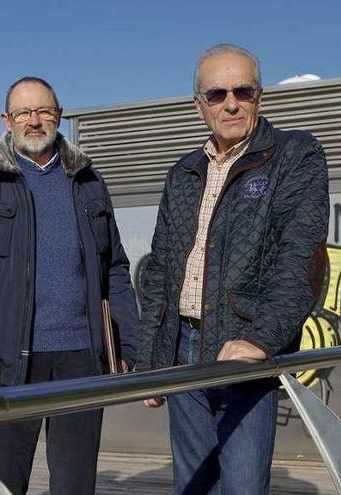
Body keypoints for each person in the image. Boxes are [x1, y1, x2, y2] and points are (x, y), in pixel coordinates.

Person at [137, 44, 329, 494]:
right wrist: (150, 359)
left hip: (243, 349)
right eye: (217, 93)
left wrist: (260, 339)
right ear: (198, 104)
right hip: (183, 347)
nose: (231, 103)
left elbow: (301, 258)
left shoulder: (294, 155)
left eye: (243, 90)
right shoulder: (182, 172)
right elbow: (161, 272)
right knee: (194, 484)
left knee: (243, 486)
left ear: (259, 96)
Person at [0, 76, 139, 495]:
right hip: (9, 365)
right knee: (3, 483)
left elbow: (115, 270)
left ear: (60, 116)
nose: (34, 121)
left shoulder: (90, 183)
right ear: (6, 120)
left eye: (44, 111)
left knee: (74, 484)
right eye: (23, 113)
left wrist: (128, 348)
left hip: (80, 361)